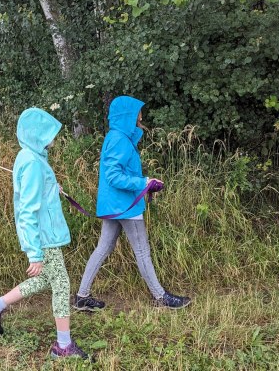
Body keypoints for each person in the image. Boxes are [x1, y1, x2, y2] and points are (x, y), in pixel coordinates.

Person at [0, 107, 89, 360]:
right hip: (44, 237)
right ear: (37, 133)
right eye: (49, 133)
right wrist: (34, 253)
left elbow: (37, 192)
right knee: (61, 285)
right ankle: (63, 345)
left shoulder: (31, 157)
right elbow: (27, 210)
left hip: (46, 234)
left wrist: (52, 188)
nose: (54, 138)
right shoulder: (32, 162)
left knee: (46, 280)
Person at [73, 95, 192, 311]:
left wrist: (144, 183)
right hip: (126, 206)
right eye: (138, 111)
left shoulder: (118, 136)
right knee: (142, 251)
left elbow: (119, 172)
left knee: (103, 248)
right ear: (128, 115)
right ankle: (161, 297)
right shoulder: (119, 139)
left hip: (117, 205)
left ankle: (82, 296)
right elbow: (113, 176)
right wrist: (144, 182)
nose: (141, 115)